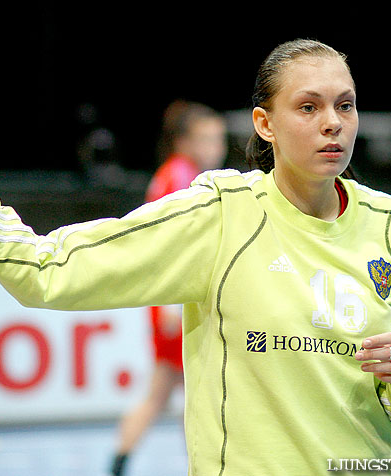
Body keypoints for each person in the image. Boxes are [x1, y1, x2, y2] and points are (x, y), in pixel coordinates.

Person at [0, 39, 391, 475]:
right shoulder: (219, 214)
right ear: (264, 124)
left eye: (344, 105)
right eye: (308, 107)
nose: (333, 123)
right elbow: (45, 271)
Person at [109, 100, 227, 476]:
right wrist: (171, 311)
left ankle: (121, 459)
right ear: (183, 142)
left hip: (171, 304)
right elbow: (173, 251)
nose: (216, 148)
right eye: (207, 139)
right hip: (177, 307)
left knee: (167, 393)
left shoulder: (172, 174)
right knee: (196, 393)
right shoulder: (181, 178)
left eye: (219, 139)